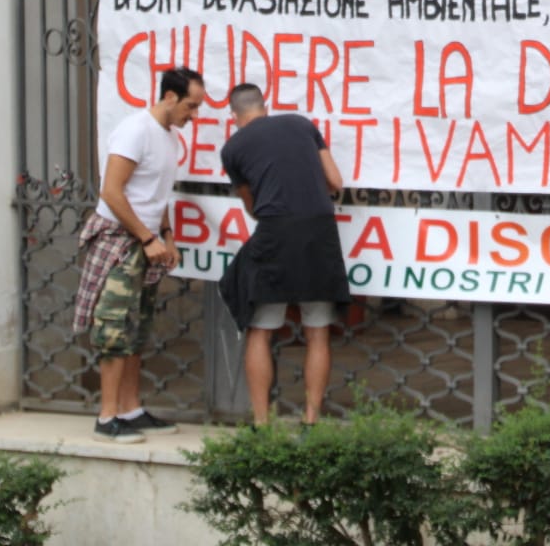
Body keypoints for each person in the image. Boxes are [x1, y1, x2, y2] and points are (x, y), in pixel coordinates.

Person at [73, 67, 204, 443]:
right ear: (169, 97)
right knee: (113, 328)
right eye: (190, 106)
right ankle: (107, 417)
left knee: (136, 328)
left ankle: (131, 409)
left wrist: (166, 235)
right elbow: (112, 192)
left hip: (145, 242)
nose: (193, 116)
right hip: (121, 240)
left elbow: (157, 194)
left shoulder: (169, 139)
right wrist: (148, 238)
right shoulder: (136, 131)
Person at [218, 83, 350, 426]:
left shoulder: (232, 149)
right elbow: (335, 181)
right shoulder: (301, 124)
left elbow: (252, 206)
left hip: (275, 232)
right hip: (319, 231)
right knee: (317, 331)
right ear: (266, 106)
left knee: (260, 330)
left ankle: (262, 424)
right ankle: (311, 420)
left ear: (234, 117)